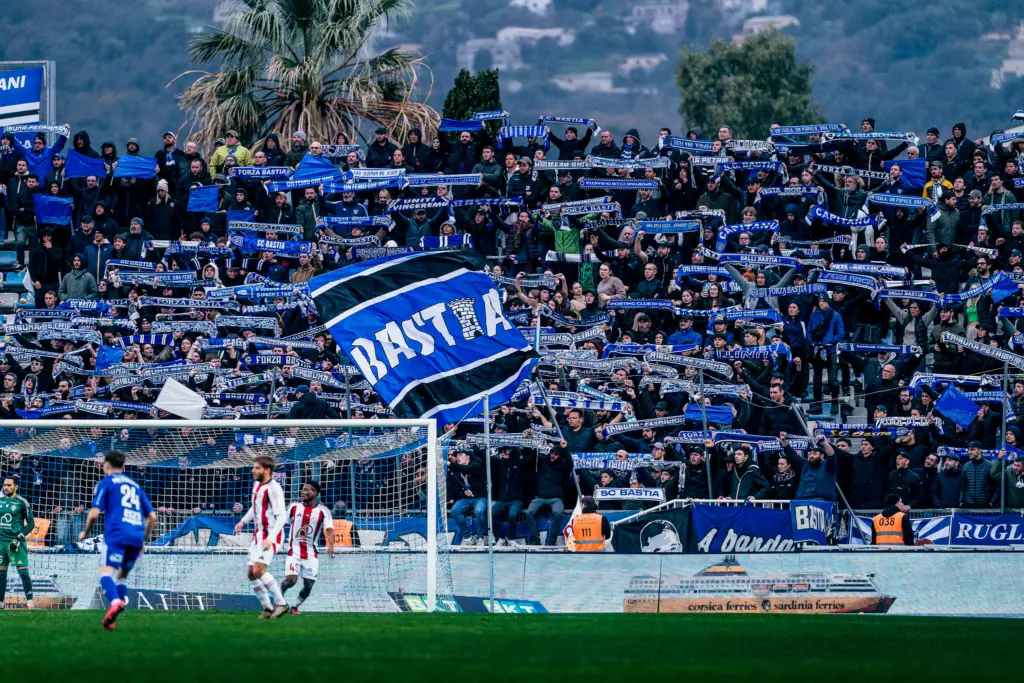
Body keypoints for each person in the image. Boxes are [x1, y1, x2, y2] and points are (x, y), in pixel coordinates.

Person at [78, 449, 158, 630]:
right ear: (123, 466)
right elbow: (152, 517)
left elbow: (94, 513)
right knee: (122, 576)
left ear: (105, 464)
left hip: (116, 533)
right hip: (136, 537)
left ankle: (115, 602)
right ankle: (115, 614)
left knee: (105, 575)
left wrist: (85, 532)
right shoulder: (135, 486)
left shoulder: (106, 483)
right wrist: (144, 540)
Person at [233, 456, 289, 619]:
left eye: (257, 468)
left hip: (273, 534)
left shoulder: (274, 489)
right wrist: (243, 521)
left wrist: (271, 538)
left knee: (259, 570)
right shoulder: (257, 485)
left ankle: (281, 603)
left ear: (267, 470)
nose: (253, 470)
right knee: (251, 573)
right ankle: (267, 608)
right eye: (253, 467)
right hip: (259, 534)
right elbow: (255, 507)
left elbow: (282, 518)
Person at [280, 481, 335, 615]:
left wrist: (331, 546)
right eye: (302, 489)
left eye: (306, 490)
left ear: (314, 493)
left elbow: (329, 530)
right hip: (294, 552)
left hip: (311, 554)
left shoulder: (323, 511)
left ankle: (294, 607)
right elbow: (281, 523)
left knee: (309, 585)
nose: (302, 492)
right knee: (291, 580)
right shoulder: (294, 507)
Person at [0, 477, 35, 609]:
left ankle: (30, 602)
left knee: (24, 573)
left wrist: (18, 538)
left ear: (16, 487)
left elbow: (31, 524)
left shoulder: (22, 502)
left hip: (16, 543)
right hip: (1, 543)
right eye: (4, 485)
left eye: (9, 485)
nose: (6, 487)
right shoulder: (0, 501)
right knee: (1, 574)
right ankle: (1, 603)